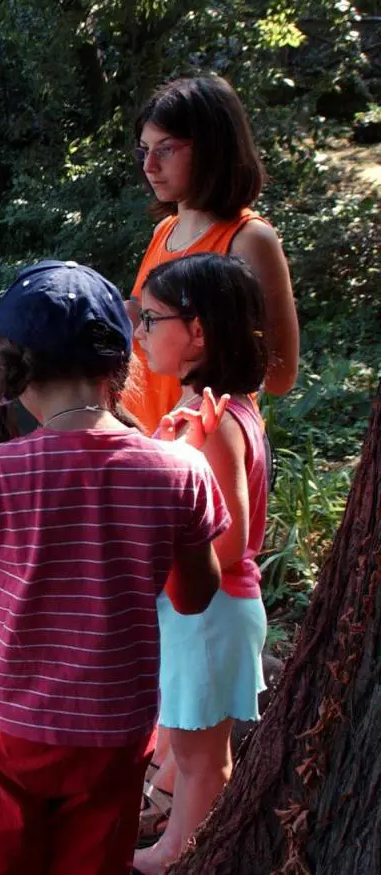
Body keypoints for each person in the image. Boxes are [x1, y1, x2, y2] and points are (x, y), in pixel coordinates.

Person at [0, 259, 229, 875]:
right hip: (114, 727)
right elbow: (193, 596)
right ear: (118, 367)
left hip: (4, 728)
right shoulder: (178, 471)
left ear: (13, 369)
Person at [131, 253, 271, 875]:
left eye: (150, 318)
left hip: (210, 612)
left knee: (199, 753)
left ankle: (179, 852)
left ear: (198, 331)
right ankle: (180, 830)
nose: (138, 333)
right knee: (189, 740)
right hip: (199, 610)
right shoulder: (211, 408)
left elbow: (231, 541)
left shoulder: (212, 422)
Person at [121, 73, 299, 436]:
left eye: (165, 149)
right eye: (144, 150)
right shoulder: (163, 232)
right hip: (147, 442)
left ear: (212, 148)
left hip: (206, 449)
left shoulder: (249, 239)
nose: (149, 165)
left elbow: (280, 376)